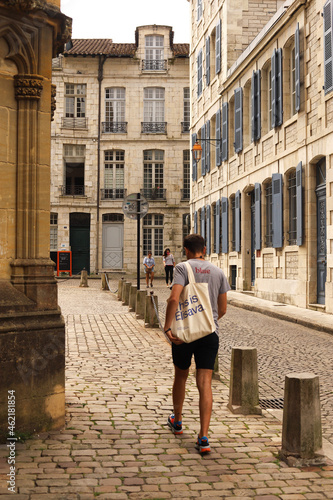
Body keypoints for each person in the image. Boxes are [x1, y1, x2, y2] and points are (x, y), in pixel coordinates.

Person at [163, 234, 230, 454]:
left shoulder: (182, 268)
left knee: (181, 376)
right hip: (209, 333)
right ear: (205, 248)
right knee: (205, 382)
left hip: (184, 334)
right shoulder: (219, 272)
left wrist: (167, 326)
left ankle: (178, 421)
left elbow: (174, 298)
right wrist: (204, 324)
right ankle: (203, 437)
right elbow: (222, 310)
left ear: (186, 250)